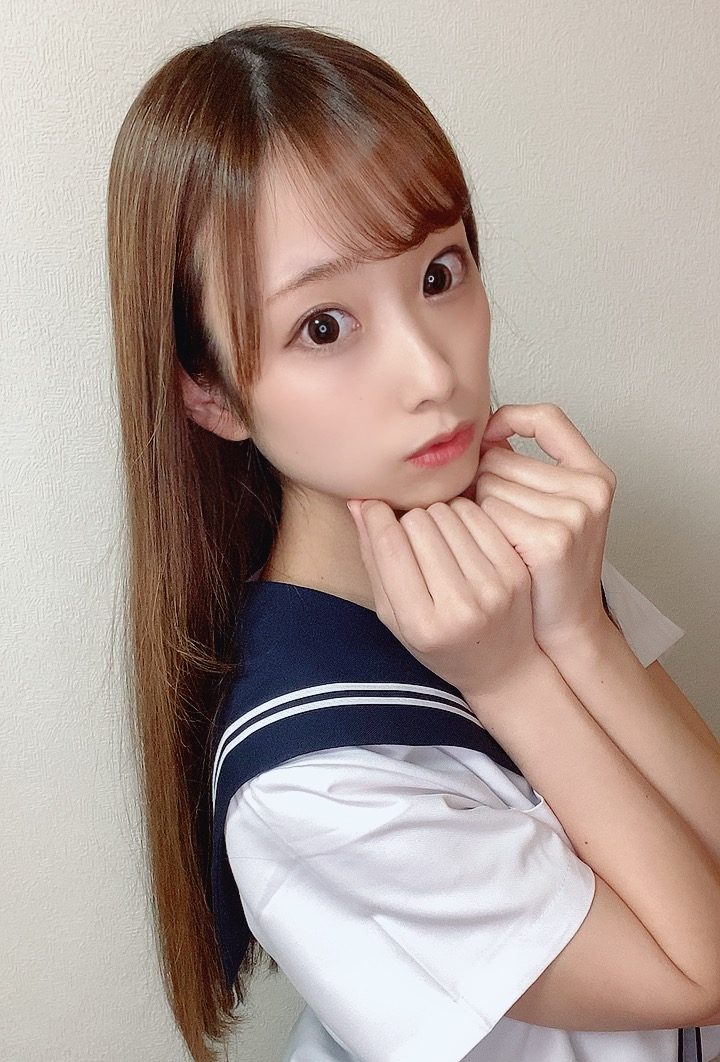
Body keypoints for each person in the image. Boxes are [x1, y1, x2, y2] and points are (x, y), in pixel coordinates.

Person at [106, 20, 720, 1062]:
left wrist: (581, 631)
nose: (433, 373)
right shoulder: (309, 785)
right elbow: (698, 970)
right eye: (324, 326)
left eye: (439, 273)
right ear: (209, 392)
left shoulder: (517, 536)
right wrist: (515, 675)